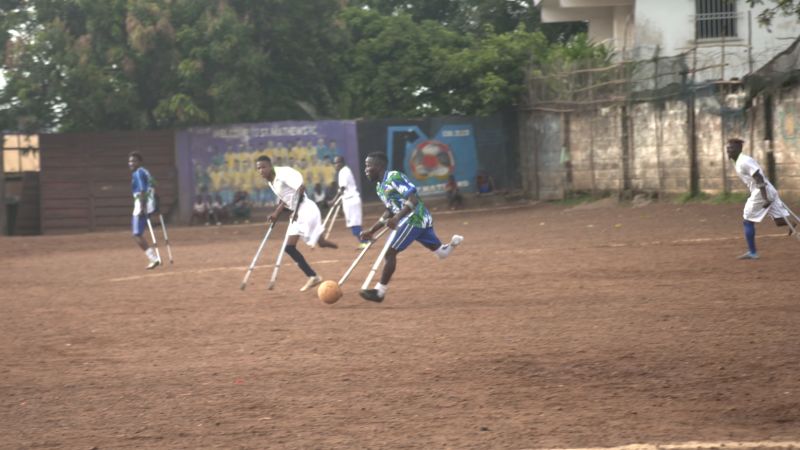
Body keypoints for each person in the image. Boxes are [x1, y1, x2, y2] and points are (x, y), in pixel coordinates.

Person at [358, 152, 464, 303]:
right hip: (415, 218)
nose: (365, 169)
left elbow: (413, 199)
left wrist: (397, 218)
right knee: (442, 253)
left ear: (379, 166)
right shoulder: (379, 187)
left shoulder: (394, 177)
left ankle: (379, 292)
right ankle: (453, 243)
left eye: (368, 166)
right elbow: (390, 210)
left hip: (415, 217)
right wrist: (372, 230)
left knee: (389, 253)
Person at [256, 155, 338, 291]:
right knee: (293, 247)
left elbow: (301, 189)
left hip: (305, 209)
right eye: (258, 168)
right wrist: (276, 213)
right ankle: (313, 276)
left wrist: (295, 211)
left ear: (270, 166)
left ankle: (315, 270)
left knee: (291, 247)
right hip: (296, 213)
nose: (261, 170)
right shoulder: (271, 182)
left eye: (264, 167)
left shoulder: (282, 175)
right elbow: (286, 198)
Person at [727, 138, 795, 260]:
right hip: (768, 191)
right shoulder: (738, 161)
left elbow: (758, 177)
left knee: (747, 221)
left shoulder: (744, 161)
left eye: (731, 148)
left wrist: (765, 198)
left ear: (739, 149)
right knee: (780, 221)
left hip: (761, 192)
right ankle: (794, 223)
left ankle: (752, 253)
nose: (728, 150)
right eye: (728, 148)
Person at [128, 151, 160, 270]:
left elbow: (142, 190)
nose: (131, 163)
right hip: (149, 202)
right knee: (138, 233)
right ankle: (153, 258)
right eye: (130, 161)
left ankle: (153, 258)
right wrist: (156, 203)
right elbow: (155, 185)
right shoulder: (146, 172)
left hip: (142, 203)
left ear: (140, 162)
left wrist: (142, 207)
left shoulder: (138, 173)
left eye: (134, 161)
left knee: (136, 234)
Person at [334, 155, 369, 249]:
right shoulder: (343, 171)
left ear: (342, 163)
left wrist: (333, 201)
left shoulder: (344, 172)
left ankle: (365, 242)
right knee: (353, 224)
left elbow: (342, 188)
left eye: (337, 163)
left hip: (351, 200)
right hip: (348, 200)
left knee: (355, 224)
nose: (335, 165)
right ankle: (366, 239)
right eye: (335, 163)